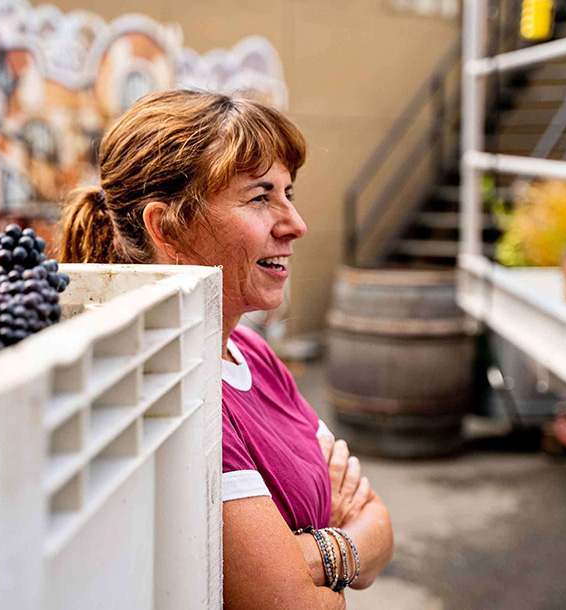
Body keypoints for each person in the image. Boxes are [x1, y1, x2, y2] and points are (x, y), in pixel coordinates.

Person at [59, 89, 394, 608]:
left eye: (289, 193)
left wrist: (313, 556)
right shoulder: (175, 383)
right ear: (166, 227)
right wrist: (339, 558)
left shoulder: (250, 354)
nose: (295, 224)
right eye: (261, 197)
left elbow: (380, 521)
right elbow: (298, 606)